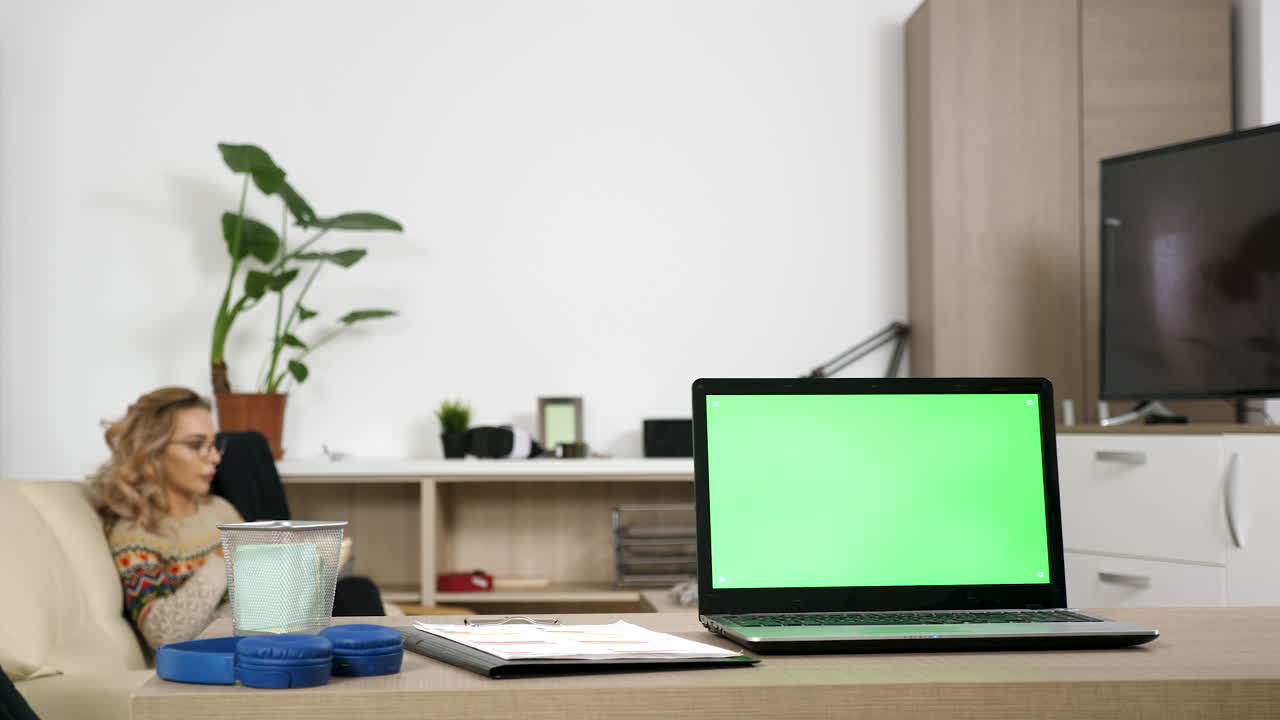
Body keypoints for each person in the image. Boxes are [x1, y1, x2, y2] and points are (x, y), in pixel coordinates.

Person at [91, 387, 242, 650]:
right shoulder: (136, 536)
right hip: (203, 669)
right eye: (196, 445)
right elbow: (164, 634)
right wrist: (227, 555)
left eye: (213, 444)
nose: (215, 458)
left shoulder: (220, 510)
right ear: (154, 453)